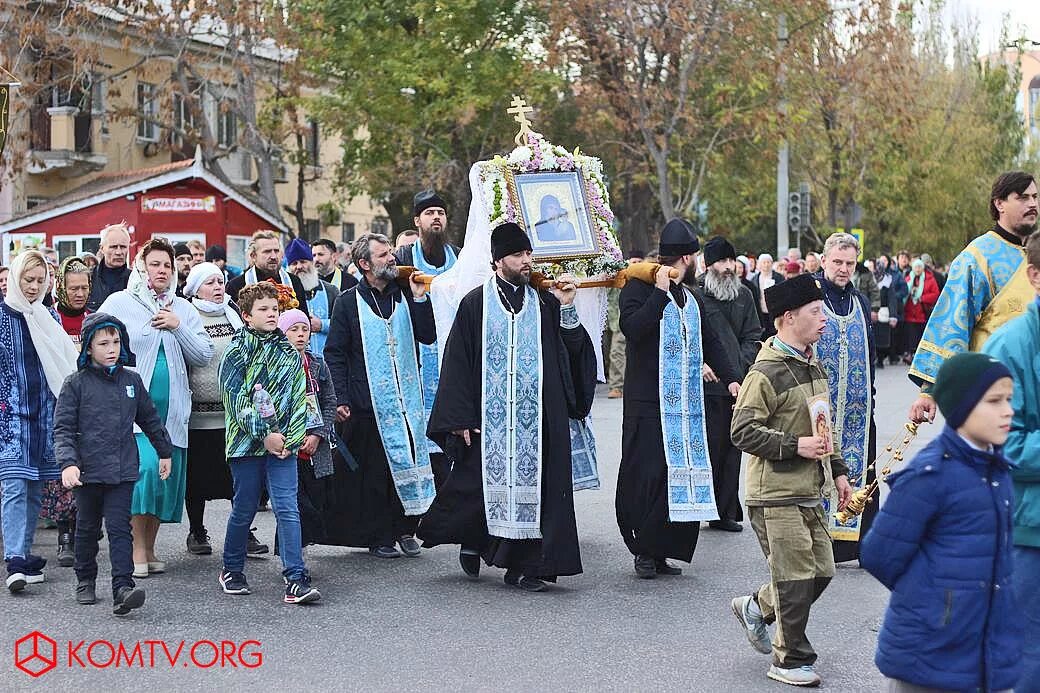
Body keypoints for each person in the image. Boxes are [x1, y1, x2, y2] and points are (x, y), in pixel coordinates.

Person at [418, 222, 597, 592]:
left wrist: (567, 309)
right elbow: (457, 363)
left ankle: (528, 567)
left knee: (541, 494)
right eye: (518, 255)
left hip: (539, 422)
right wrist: (459, 418)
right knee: (477, 490)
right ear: (499, 260)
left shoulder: (545, 302)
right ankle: (474, 541)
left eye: (529, 254)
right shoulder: (475, 303)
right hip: (490, 420)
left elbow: (573, 352)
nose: (526, 261)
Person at [861, 352, 1022, 693]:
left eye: (1009, 399)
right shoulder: (930, 475)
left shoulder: (999, 472)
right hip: (929, 653)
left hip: (985, 648)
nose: (1008, 410)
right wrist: (938, 601)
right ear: (962, 407)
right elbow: (879, 554)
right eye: (994, 401)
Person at [729, 273, 853, 688]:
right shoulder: (765, 371)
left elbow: (823, 427)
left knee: (822, 571)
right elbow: (742, 431)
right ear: (787, 318)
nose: (824, 320)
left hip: (809, 490)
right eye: (816, 313)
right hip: (774, 493)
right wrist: (792, 445)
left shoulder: (811, 361)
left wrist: (837, 472)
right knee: (797, 576)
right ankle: (789, 659)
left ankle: (755, 606)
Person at [614, 221, 741, 578]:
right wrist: (658, 292)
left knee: (676, 478)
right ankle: (642, 548)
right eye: (696, 257)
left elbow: (711, 341)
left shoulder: (691, 297)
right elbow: (634, 330)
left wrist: (732, 379)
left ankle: (663, 549)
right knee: (647, 476)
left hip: (683, 406)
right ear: (687, 257)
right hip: (647, 405)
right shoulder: (637, 288)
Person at [98, 238, 214, 578]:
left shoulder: (184, 308)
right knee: (144, 473)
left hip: (174, 411)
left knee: (164, 480)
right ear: (141, 267)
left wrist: (178, 327)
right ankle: (134, 550)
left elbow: (203, 354)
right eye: (155, 264)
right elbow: (99, 339)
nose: (161, 270)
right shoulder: (120, 302)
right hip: (134, 413)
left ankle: (149, 548)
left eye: (167, 265)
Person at [323, 233, 436, 557]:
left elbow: (427, 335)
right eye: (384, 255)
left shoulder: (405, 292)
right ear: (364, 264)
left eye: (391, 253)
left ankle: (406, 528)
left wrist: (419, 299)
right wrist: (340, 398)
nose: (391, 259)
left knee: (407, 462)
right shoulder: (347, 302)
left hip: (406, 400)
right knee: (374, 473)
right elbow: (336, 354)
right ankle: (380, 535)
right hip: (366, 400)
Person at [54, 313, 172, 615]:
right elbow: (63, 429)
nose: (112, 349)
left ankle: (123, 587)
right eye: (103, 343)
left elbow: (149, 418)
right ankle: (85, 579)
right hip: (87, 472)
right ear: (88, 347)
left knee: (121, 528)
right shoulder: (75, 384)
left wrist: (164, 451)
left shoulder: (131, 380)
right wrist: (68, 464)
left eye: (116, 342)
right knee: (87, 528)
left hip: (121, 469)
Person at [217, 281, 320, 604]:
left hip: (283, 447)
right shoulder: (236, 351)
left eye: (275, 309)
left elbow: (297, 398)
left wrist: (289, 439)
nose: (271, 314)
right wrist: (265, 433)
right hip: (246, 445)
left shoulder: (289, 352)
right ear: (246, 316)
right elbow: (234, 398)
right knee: (245, 507)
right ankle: (232, 568)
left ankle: (295, 577)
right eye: (263, 309)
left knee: (288, 508)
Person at [908, 171, 1038, 423]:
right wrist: (929, 391)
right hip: (994, 392)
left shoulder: (1036, 251)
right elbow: (951, 325)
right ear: (999, 204)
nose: (1032, 204)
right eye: (1022, 197)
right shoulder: (977, 257)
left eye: (1035, 197)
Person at [982, 229, 1040, 692]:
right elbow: (1001, 446)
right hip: (1028, 528)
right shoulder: (1007, 347)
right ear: (1035, 277)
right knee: (1027, 656)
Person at [2, 250, 80, 593]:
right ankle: (15, 559)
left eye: (39, 280)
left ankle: (25, 554)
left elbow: (64, 361)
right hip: (10, 417)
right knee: (14, 486)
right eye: (27, 280)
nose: (33, 287)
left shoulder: (49, 316)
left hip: (45, 415)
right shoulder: (2, 317)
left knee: (35, 485)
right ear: (15, 279)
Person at [181, 262, 266, 557]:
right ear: (195, 288)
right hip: (198, 415)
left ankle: (243, 532)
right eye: (211, 283)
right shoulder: (188, 314)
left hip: (233, 414)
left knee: (237, 477)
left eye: (220, 281)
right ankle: (197, 530)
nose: (218, 287)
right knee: (197, 478)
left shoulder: (232, 315)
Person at [814, 232, 877, 563]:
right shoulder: (810, 297)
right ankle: (817, 539)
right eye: (837, 262)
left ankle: (859, 544)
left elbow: (871, 352)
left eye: (849, 263)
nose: (843, 269)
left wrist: (872, 397)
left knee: (864, 473)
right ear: (824, 260)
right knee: (817, 473)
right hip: (818, 407)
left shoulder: (860, 302)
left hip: (857, 407)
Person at [394, 189, 462, 488]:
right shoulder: (404, 257)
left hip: (453, 351)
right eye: (430, 213)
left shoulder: (458, 256)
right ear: (417, 220)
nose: (436, 217)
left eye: (440, 213)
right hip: (416, 355)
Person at [697, 237, 761, 533]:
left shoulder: (745, 295)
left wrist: (738, 364)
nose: (727, 267)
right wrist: (703, 363)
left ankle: (724, 511)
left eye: (730, 261)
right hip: (704, 384)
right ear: (708, 265)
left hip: (737, 383)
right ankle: (697, 506)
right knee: (705, 448)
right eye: (721, 262)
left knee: (731, 448)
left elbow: (752, 335)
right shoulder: (694, 293)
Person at [42, 256, 94, 567]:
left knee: (88, 469)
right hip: (58, 402)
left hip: (89, 404)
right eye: (73, 288)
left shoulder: (94, 319)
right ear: (61, 287)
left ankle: (81, 531)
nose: (79, 293)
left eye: (84, 287)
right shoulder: (50, 319)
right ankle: (64, 534)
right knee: (65, 469)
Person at [277, 310, 339, 550]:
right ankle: (290, 554)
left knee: (316, 499)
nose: (301, 335)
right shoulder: (276, 364)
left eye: (304, 329)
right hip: (288, 444)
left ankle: (299, 549)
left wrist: (317, 434)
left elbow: (329, 401)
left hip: (314, 445)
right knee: (292, 503)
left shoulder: (317, 363)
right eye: (294, 330)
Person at [225, 230, 309, 314]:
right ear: (253, 256)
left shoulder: (294, 281)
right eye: (267, 251)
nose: (273, 256)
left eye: (276, 251)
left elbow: (305, 320)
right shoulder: (236, 285)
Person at [285, 238, 340, 357]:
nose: (299, 266)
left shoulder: (331, 291)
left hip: (328, 362)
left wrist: (322, 325)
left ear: (312, 263)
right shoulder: (284, 294)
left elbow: (344, 325)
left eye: (303, 261)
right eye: (294, 263)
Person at [606, 248, 646, 399]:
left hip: (641, 321)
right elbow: (610, 298)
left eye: (639, 262)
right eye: (633, 262)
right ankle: (616, 386)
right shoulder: (621, 276)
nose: (636, 264)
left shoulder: (647, 278)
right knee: (616, 352)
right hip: (619, 321)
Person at [86, 222, 132, 312]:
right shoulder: (88, 279)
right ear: (102, 248)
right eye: (113, 247)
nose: (119, 252)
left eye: (123, 247)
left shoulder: (135, 281)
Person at [901, 258, 939, 365]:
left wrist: (922, 298)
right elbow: (903, 291)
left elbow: (935, 294)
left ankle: (919, 355)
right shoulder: (909, 278)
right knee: (910, 334)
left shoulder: (930, 279)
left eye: (919, 267)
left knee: (919, 334)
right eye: (915, 267)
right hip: (909, 311)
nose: (917, 269)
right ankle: (910, 354)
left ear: (922, 268)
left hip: (922, 312)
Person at [751, 253, 784, 338]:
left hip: (775, 311)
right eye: (764, 262)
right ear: (760, 264)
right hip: (760, 312)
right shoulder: (754, 279)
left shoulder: (778, 277)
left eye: (768, 262)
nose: (766, 265)